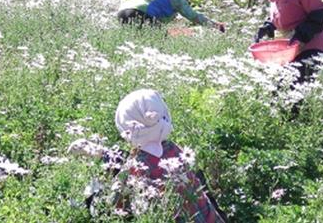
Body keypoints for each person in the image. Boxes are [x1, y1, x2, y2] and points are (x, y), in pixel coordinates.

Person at [69, 89, 227, 222]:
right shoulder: (176, 151)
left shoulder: (136, 166)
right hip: (204, 218)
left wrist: (94, 196)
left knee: (95, 196)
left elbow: (115, 203)